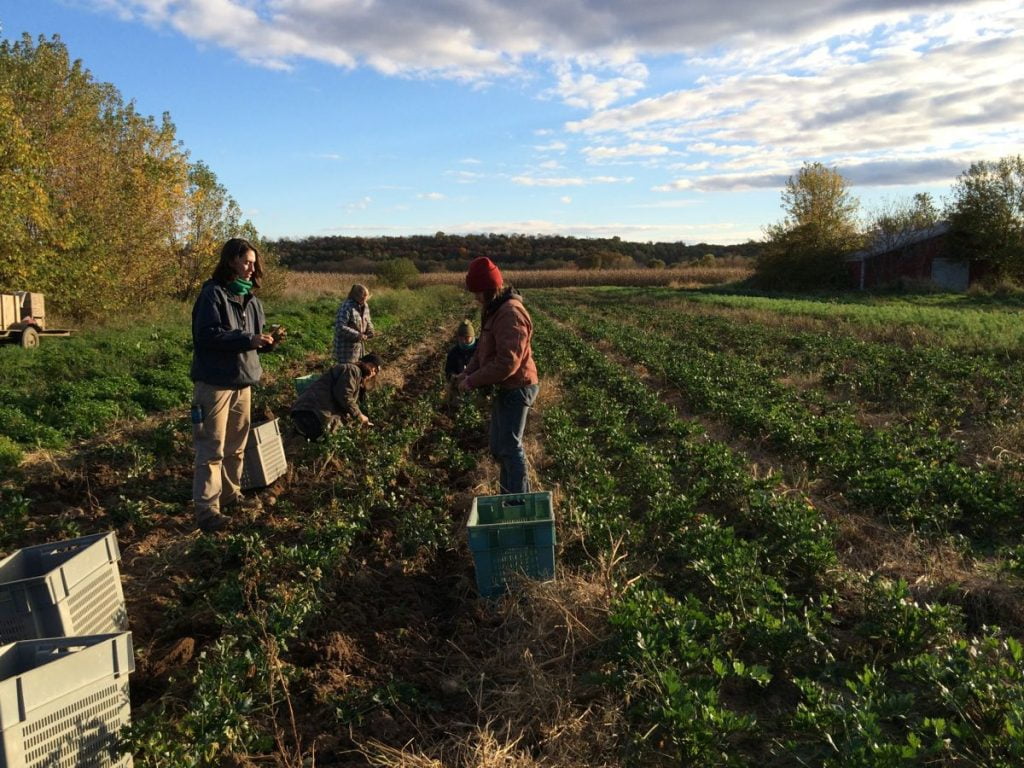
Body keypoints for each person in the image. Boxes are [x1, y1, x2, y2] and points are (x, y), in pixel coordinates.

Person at [190, 237, 283, 533]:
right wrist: (247, 339)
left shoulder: (252, 301)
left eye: (254, 264)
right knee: (212, 447)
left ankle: (231, 496)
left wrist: (268, 342)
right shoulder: (213, 295)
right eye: (246, 262)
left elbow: (252, 341)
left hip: (243, 381)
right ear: (230, 261)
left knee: (236, 446)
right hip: (215, 383)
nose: (251, 268)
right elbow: (206, 336)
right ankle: (207, 509)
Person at [456, 257, 539, 494]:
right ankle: (509, 496)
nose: (474, 297)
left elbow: (507, 363)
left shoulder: (510, 314)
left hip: (518, 386)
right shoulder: (494, 310)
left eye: (477, 292)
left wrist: (473, 381)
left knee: (510, 447)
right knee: (499, 446)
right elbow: (484, 349)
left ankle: (518, 502)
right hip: (507, 386)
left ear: (488, 289)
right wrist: (467, 373)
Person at [291, 353, 383, 441]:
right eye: (371, 366)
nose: (372, 371)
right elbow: (345, 396)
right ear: (363, 362)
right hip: (313, 413)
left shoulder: (357, 378)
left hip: (311, 413)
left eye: (375, 371)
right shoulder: (352, 370)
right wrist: (359, 415)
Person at [333, 284, 375, 364]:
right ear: (356, 296)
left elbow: (368, 320)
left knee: (358, 370)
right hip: (345, 350)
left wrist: (370, 330)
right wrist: (358, 335)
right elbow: (340, 327)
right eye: (363, 298)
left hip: (359, 348)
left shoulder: (365, 306)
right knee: (347, 371)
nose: (365, 301)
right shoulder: (346, 306)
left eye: (366, 298)